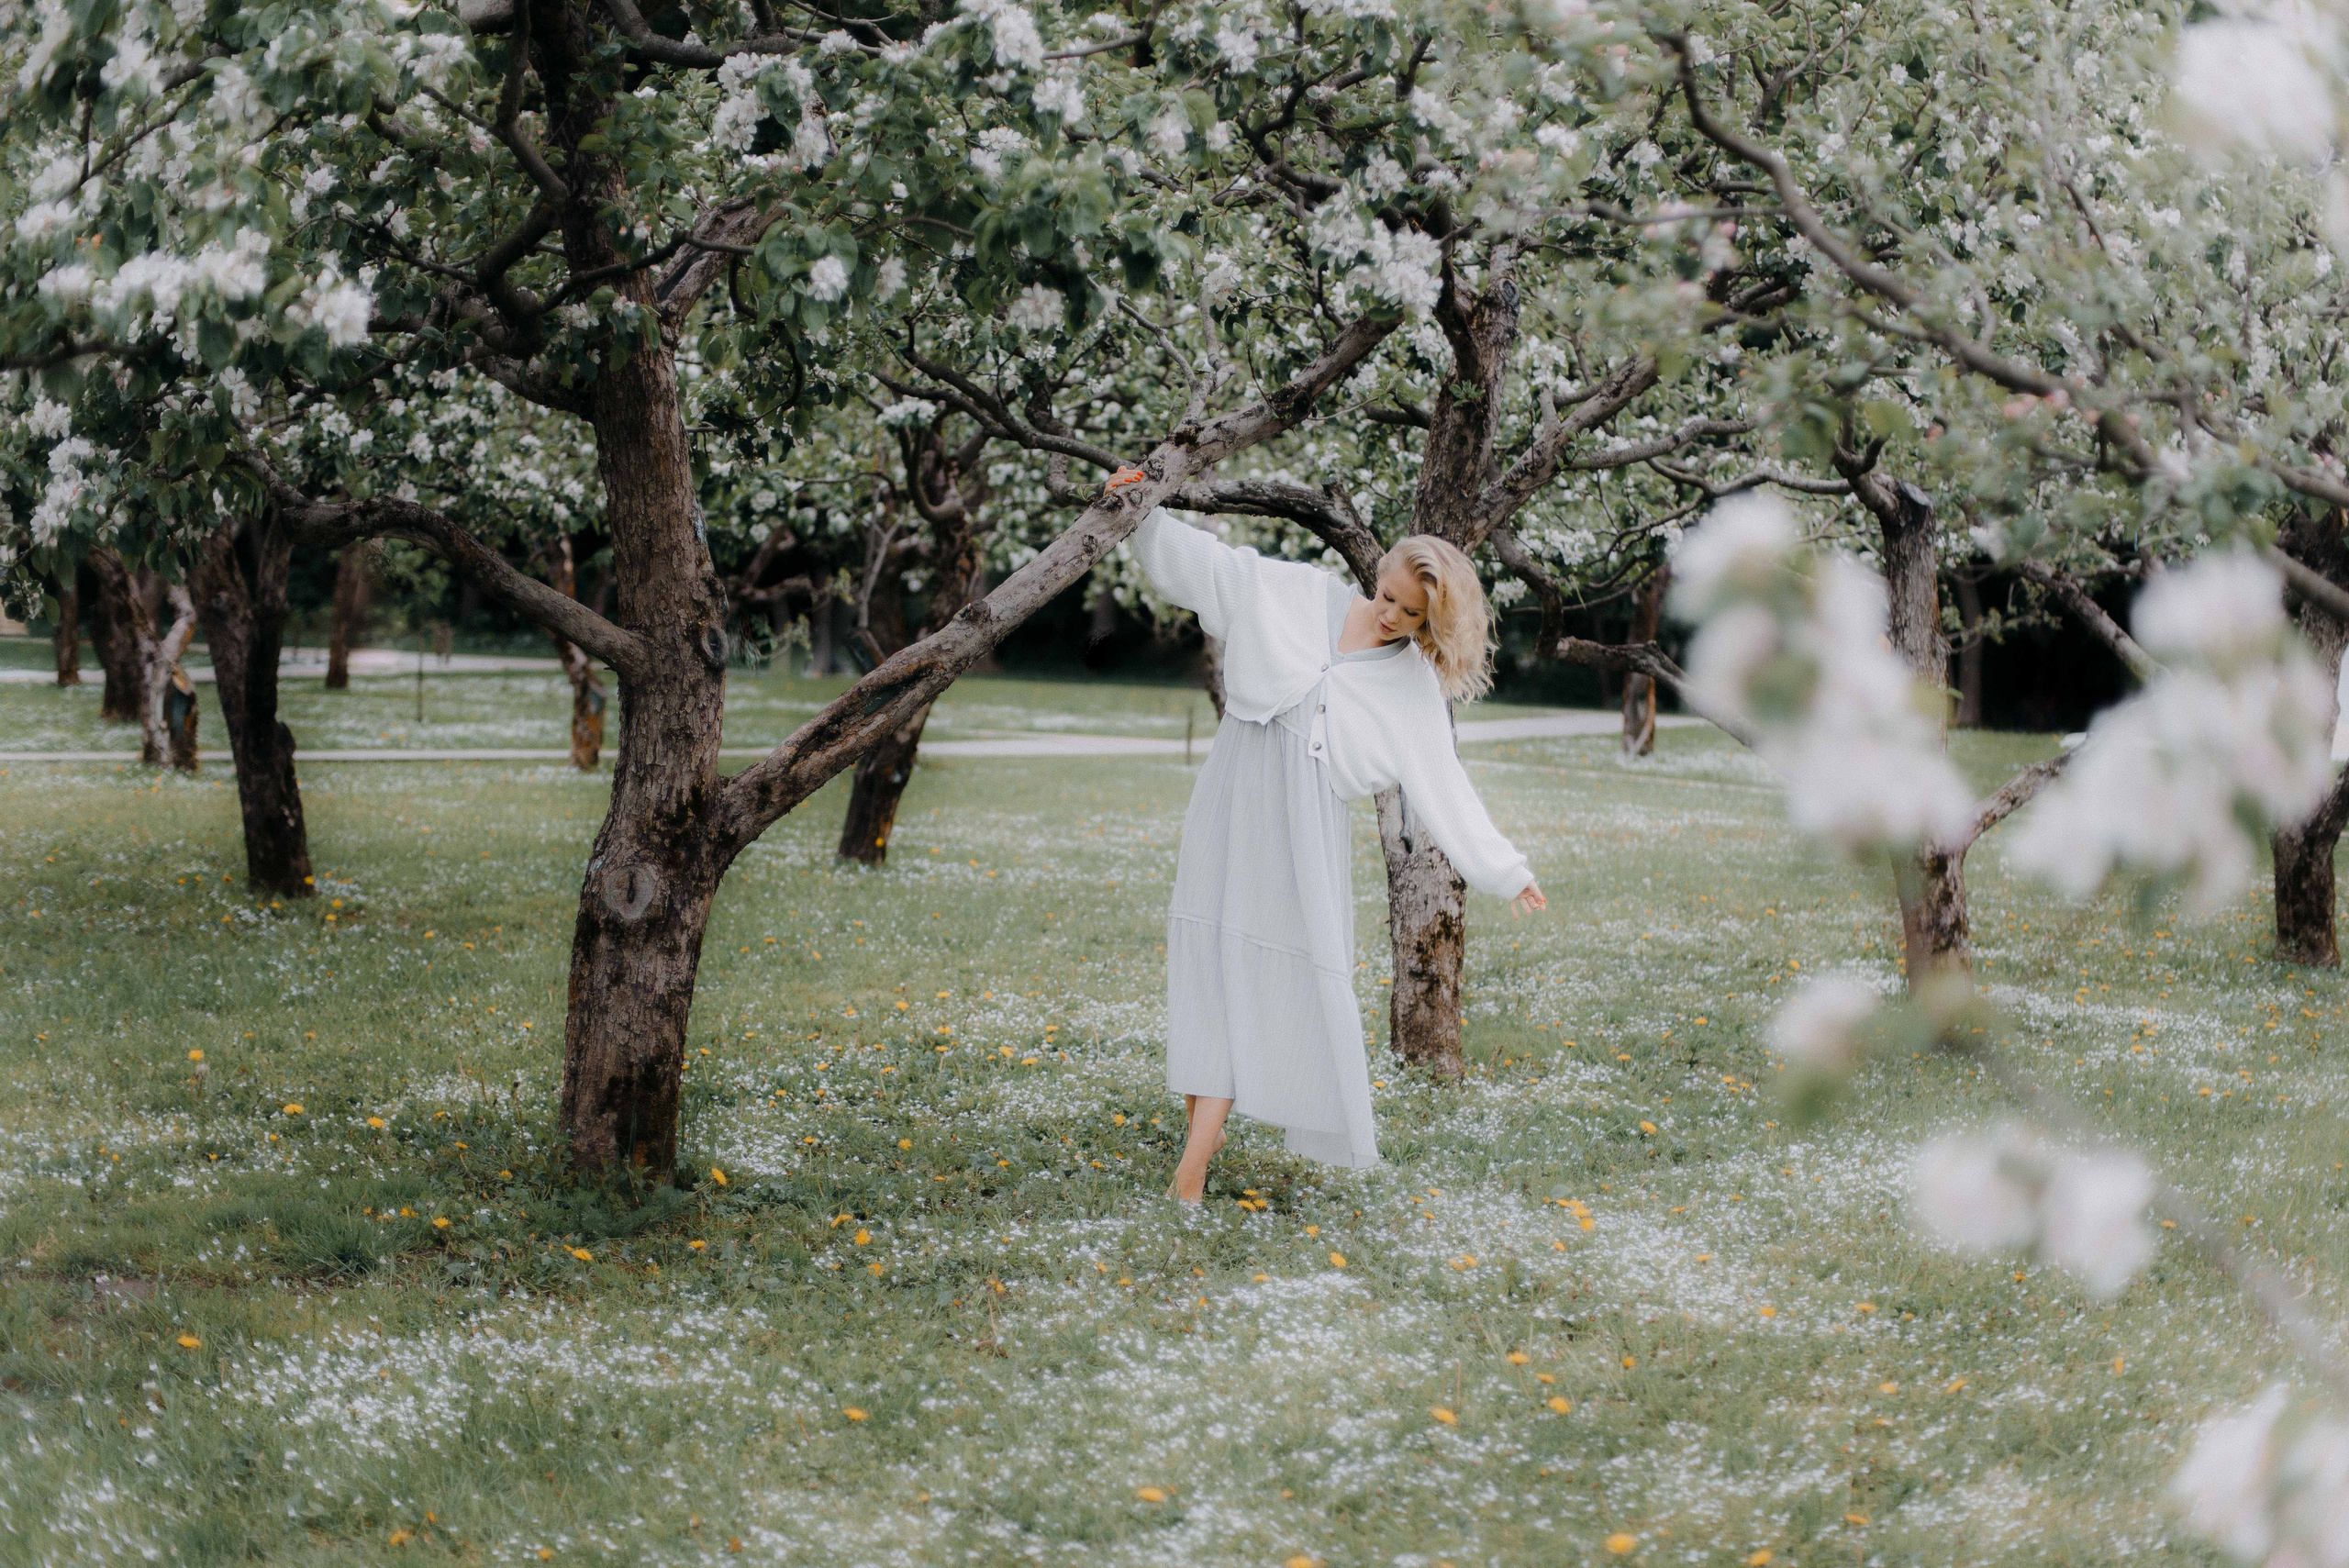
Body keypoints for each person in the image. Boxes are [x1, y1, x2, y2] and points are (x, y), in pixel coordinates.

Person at [1130, 504, 1546, 1203]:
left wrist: (1506, 870)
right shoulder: (1297, 591)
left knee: (1257, 965)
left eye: (1410, 615)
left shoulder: (1409, 681)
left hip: (1301, 825)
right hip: (1232, 790)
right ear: (1377, 572)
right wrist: (1139, 512)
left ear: (1428, 622)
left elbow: (1445, 782)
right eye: (1387, 597)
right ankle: (1203, 1133)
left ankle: (1190, 1174)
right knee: (1209, 953)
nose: (1389, 616)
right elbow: (1210, 566)